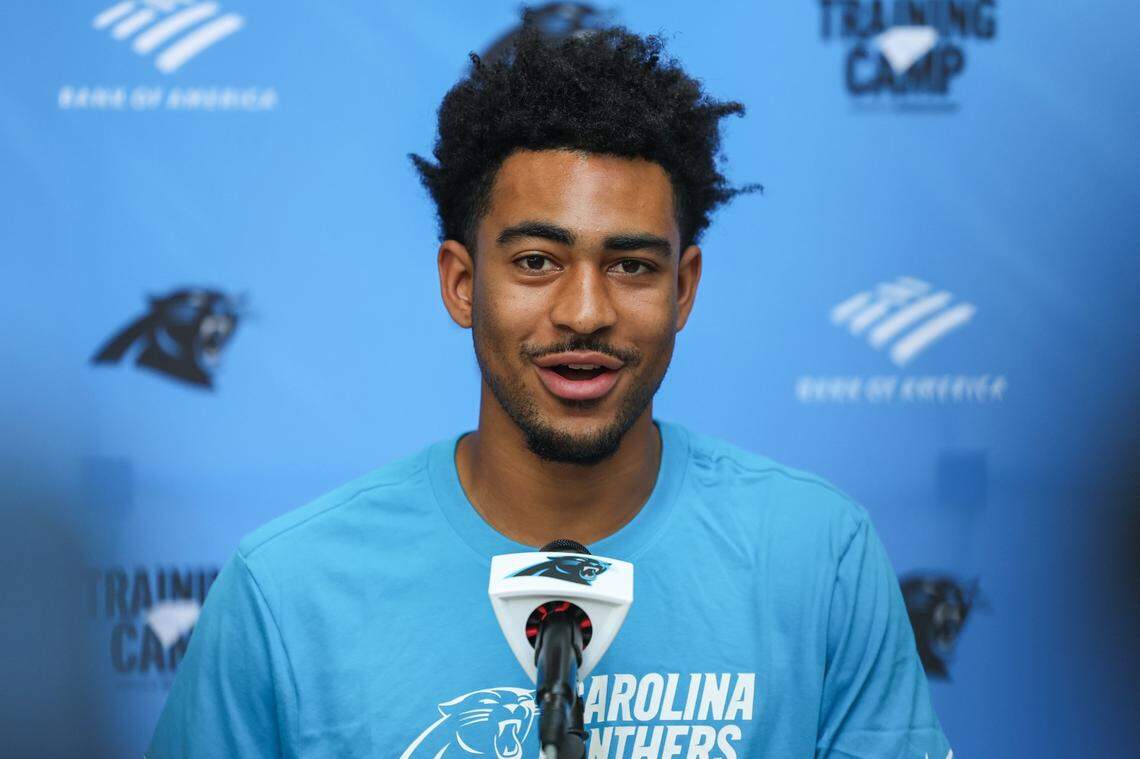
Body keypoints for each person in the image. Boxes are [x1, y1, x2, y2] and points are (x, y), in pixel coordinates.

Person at [147, 24, 952, 759]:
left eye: (632, 265)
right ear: (462, 283)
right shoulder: (288, 591)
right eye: (537, 261)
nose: (585, 312)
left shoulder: (818, 556)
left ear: (684, 288)